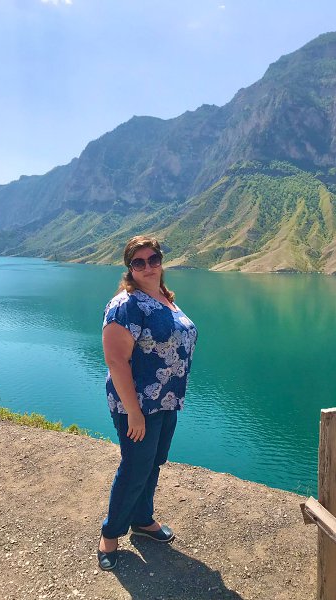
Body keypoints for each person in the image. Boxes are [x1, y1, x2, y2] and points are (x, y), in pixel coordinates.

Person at [97, 235, 198, 571]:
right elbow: (116, 361)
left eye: (153, 259)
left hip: (166, 400)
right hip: (138, 406)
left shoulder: (163, 298)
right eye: (138, 262)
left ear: (161, 261)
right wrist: (134, 414)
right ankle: (110, 535)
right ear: (130, 268)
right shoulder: (125, 305)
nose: (148, 266)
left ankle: (142, 519)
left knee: (153, 462)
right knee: (135, 467)